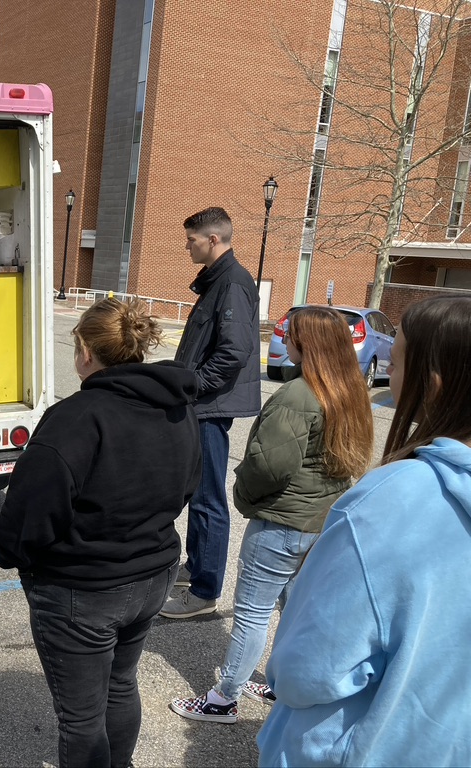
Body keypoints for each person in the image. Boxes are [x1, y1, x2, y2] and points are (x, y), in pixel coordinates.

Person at [256, 294, 471, 767]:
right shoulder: (346, 391)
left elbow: (304, 669)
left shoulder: (395, 499)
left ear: (432, 384)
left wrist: (247, 494)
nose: (390, 375)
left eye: (395, 362)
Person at [0, 298, 201, 768]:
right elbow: (188, 486)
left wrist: (9, 552)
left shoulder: (77, 417)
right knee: (120, 684)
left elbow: (30, 510)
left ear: (85, 350)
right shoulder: (177, 408)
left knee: (82, 716)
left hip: (83, 588)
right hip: (153, 573)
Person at [169, 307, 374, 724]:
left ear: (308, 345)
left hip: (280, 524)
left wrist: (242, 489)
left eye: (292, 335)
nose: (285, 340)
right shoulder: (347, 391)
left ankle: (223, 698)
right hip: (317, 523)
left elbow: (269, 467)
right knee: (293, 608)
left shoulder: (299, 396)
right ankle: (282, 685)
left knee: (251, 615)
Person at [160, 206, 261, 619]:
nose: (187, 246)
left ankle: (204, 594)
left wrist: (194, 385)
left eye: (192, 240)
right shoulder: (217, 282)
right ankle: (197, 567)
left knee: (207, 500)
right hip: (201, 405)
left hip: (209, 408)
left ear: (213, 240)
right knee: (198, 495)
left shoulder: (232, 283)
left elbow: (233, 352)